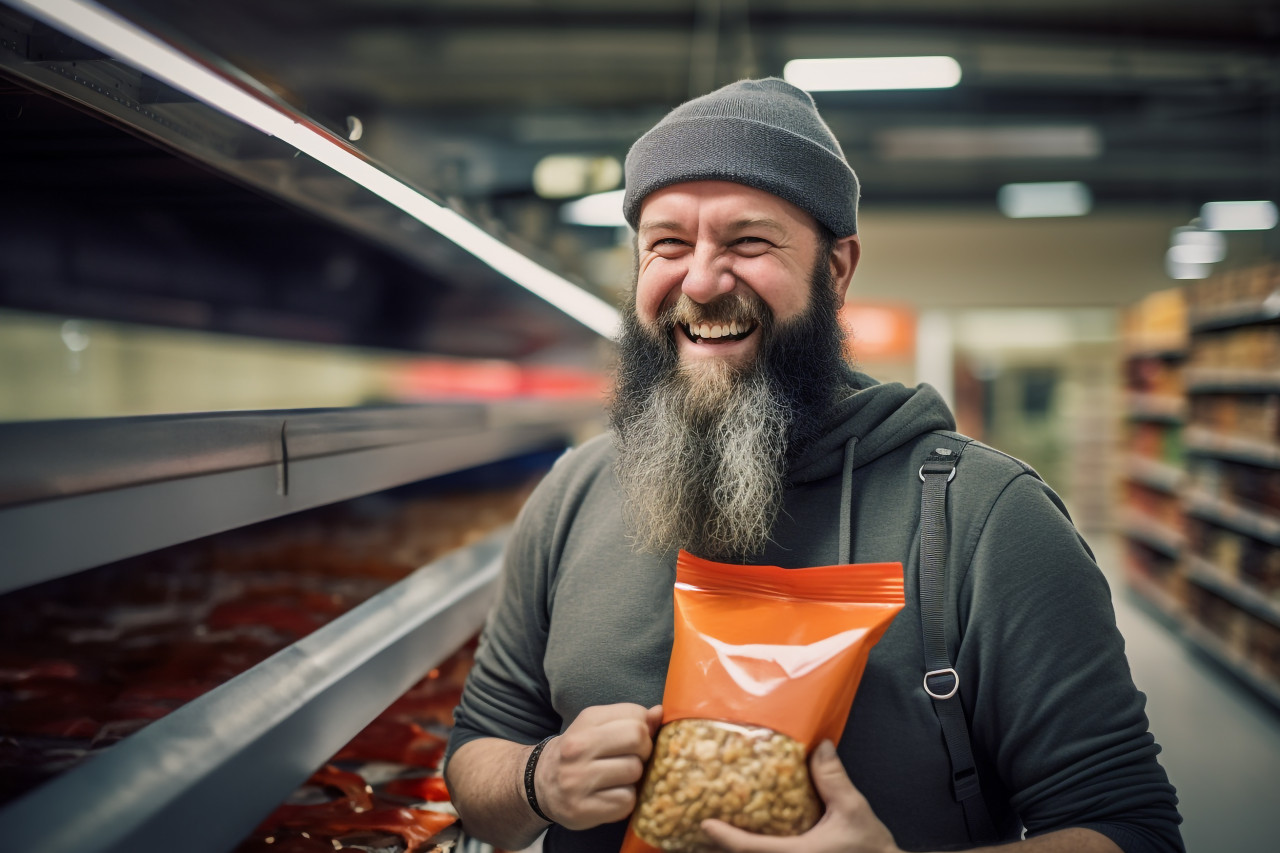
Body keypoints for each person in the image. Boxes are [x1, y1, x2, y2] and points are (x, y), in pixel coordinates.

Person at [443, 77, 1184, 853]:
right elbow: (476, 759)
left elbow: (1131, 829)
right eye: (667, 243)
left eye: (748, 242)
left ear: (836, 270)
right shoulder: (574, 495)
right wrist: (540, 778)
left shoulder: (986, 519)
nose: (700, 280)